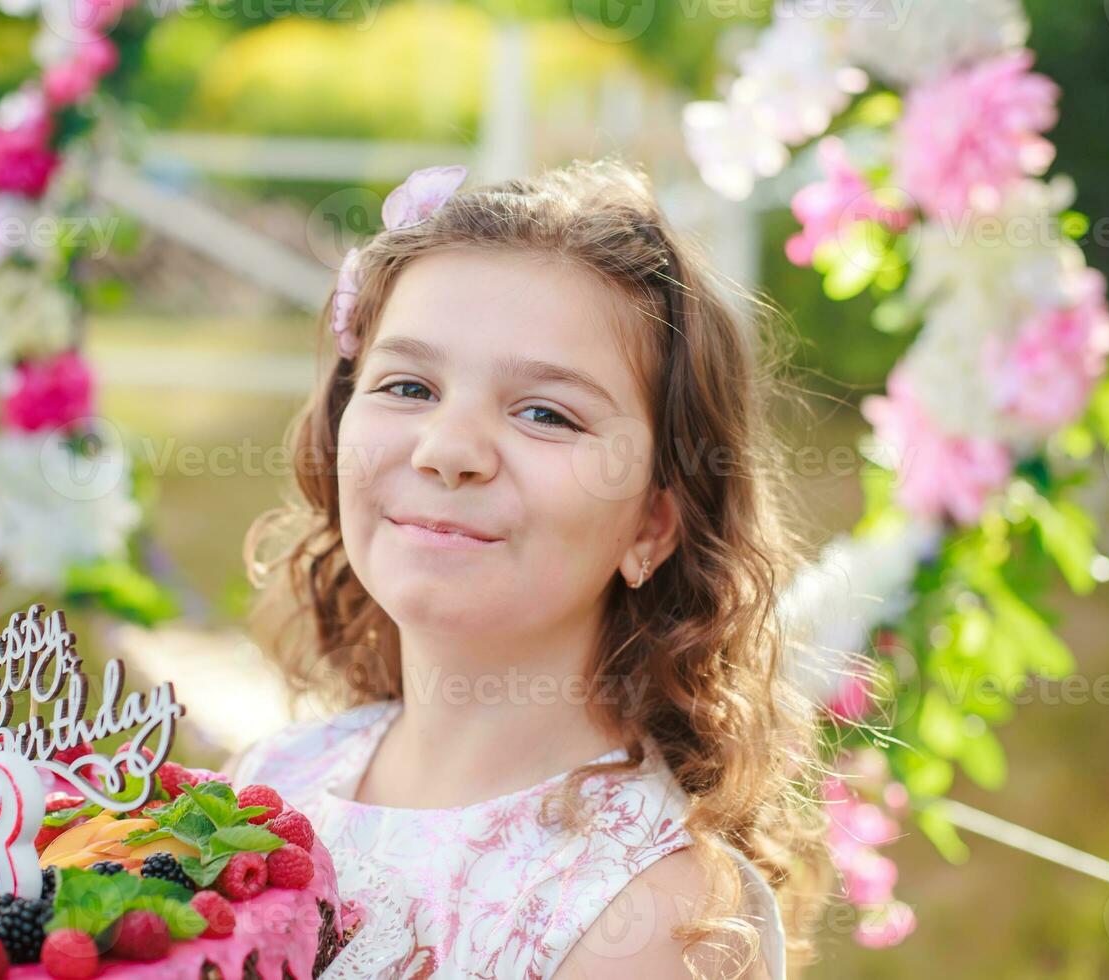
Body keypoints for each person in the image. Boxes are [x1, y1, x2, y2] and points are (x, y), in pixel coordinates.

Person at [228, 158, 832, 979]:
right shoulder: (268, 786)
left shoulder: (651, 919)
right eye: (408, 386)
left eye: (546, 413)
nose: (449, 452)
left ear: (653, 522)